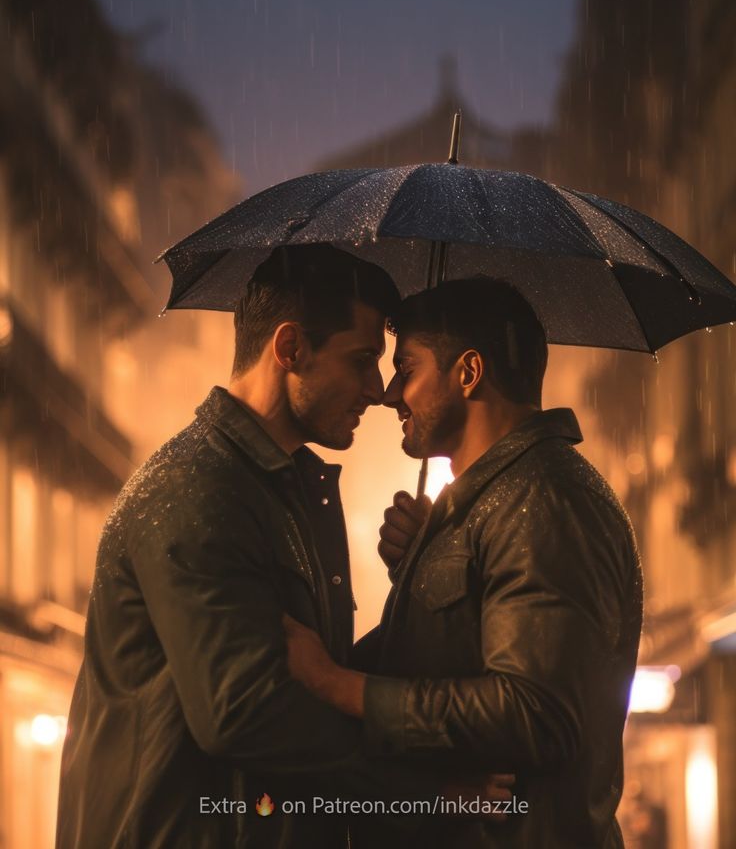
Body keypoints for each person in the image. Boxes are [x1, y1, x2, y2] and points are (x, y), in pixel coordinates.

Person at [57, 245, 500, 849]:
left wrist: (425, 575)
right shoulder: (199, 487)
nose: (378, 390)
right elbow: (241, 711)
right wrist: (422, 787)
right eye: (364, 360)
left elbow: (322, 673)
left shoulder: (291, 490)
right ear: (290, 349)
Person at [285, 276, 644, 848]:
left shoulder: (545, 500)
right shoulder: (487, 502)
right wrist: (419, 571)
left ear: (469, 373)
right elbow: (468, 656)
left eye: (407, 368)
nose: (389, 394)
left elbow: (535, 713)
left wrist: (338, 684)